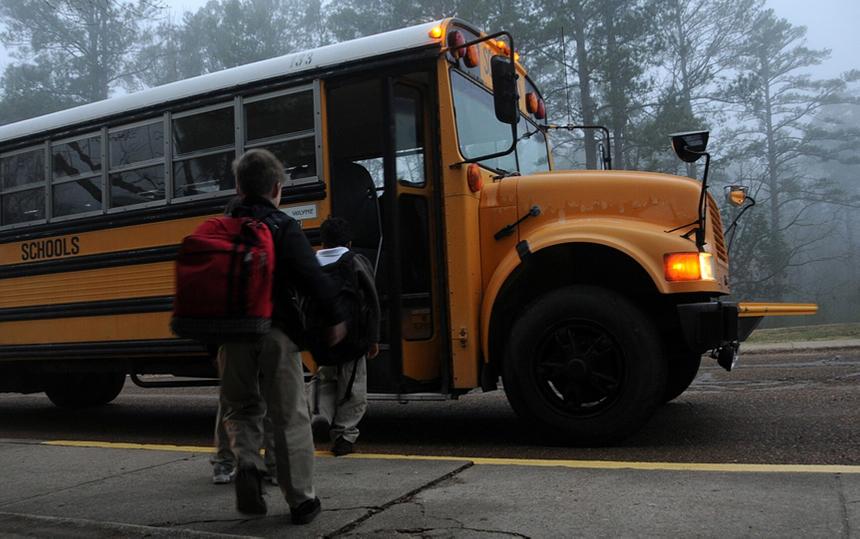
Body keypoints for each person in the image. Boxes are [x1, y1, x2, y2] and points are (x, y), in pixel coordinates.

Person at [218, 149, 345, 524]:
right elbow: (312, 277)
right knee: (289, 416)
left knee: (240, 409)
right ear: (276, 188)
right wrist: (334, 319)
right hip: (276, 332)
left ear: (238, 187)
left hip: (230, 336)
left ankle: (246, 462)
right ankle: (301, 500)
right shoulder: (282, 226)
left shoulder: (221, 228)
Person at [309, 216, 380, 456]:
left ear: (323, 241)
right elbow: (371, 300)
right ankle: (344, 435)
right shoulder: (356, 261)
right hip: (353, 339)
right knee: (352, 386)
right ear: (348, 242)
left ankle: (321, 414)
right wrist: (373, 338)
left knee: (325, 379)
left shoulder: (311, 263)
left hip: (323, 339)